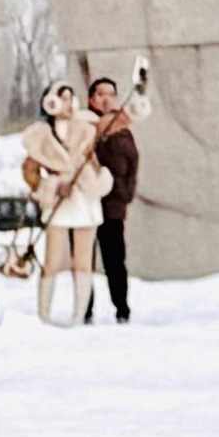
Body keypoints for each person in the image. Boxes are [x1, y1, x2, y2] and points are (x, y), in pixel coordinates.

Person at [23, 77, 102, 324]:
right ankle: (43, 314)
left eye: (70, 98)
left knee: (83, 260)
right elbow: (30, 169)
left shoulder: (87, 128)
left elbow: (96, 165)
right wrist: (52, 186)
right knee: (53, 260)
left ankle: (79, 315)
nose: (67, 103)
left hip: (83, 197)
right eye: (62, 97)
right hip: (57, 201)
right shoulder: (41, 135)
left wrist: (86, 174)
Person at [83, 66, 146, 324]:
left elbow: (132, 165)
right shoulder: (84, 126)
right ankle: (84, 308)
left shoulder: (122, 130)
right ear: (91, 99)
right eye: (100, 94)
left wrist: (125, 194)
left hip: (112, 204)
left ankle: (121, 307)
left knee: (114, 259)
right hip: (85, 202)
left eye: (111, 94)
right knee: (84, 260)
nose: (106, 99)